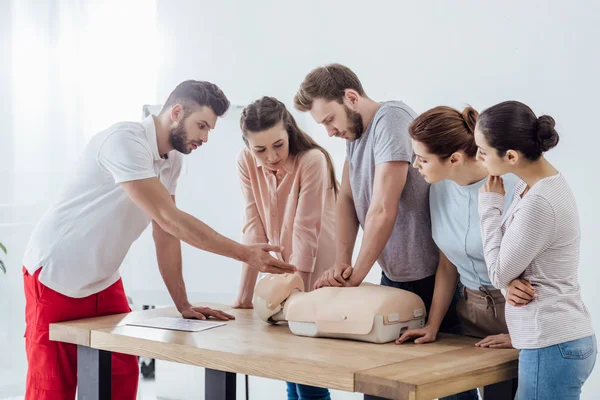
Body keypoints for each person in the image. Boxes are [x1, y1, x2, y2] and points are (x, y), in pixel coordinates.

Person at [21, 81, 295, 400]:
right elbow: (169, 219)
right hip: (56, 276)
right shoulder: (124, 141)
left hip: (102, 280)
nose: (205, 137)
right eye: (202, 126)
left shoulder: (172, 160)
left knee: (122, 371)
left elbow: (164, 235)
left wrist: (183, 305)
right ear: (177, 112)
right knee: (52, 387)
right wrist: (245, 254)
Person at [293, 64, 460, 334]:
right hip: (394, 276)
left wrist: (355, 277)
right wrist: (342, 264)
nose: (330, 132)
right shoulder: (355, 132)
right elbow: (347, 199)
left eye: (329, 120)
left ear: (351, 98)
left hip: (434, 278)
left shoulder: (391, 119)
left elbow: (382, 208)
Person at [396, 105, 522, 399]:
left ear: (454, 158)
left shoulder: (514, 187)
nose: (416, 165)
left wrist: (520, 333)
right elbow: (447, 265)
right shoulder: (439, 187)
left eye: (423, 159)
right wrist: (432, 326)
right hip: (468, 312)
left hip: (515, 314)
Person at [475, 100, 596, 399]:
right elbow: (509, 265)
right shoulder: (532, 187)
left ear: (511, 156)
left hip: (552, 344)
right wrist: (507, 286)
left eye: (483, 152)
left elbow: (498, 270)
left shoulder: (540, 202)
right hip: (555, 341)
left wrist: (489, 207)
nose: (479, 159)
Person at [232, 96, 337, 400]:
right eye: (260, 149)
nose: (272, 156)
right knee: (289, 373)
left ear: (289, 131)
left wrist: (298, 295)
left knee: (309, 378)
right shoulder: (245, 162)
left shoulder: (312, 160)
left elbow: (306, 231)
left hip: (315, 275)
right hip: (284, 279)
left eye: (278, 144)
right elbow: (253, 225)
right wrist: (243, 298)